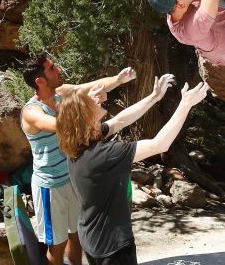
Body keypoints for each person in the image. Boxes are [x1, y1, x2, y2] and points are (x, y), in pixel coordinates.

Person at [57, 75, 209, 265]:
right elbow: (159, 144)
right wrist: (186, 104)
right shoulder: (104, 155)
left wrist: (154, 96)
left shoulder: (78, 145)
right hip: (113, 245)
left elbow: (120, 120)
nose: (96, 98)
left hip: (92, 235)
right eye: (89, 100)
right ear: (85, 115)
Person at [20, 55, 138, 265]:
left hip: (72, 179)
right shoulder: (32, 112)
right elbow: (63, 126)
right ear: (40, 80)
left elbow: (91, 86)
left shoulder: (61, 94)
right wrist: (88, 107)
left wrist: (119, 80)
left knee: (77, 236)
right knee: (56, 246)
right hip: (50, 187)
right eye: (52, 68)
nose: (58, 70)